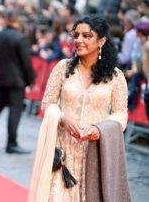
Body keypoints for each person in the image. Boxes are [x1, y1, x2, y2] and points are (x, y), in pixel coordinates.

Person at [29, 15, 130, 201]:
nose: (79, 40)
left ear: (101, 41)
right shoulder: (63, 68)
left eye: (86, 36)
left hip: (96, 151)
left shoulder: (116, 76)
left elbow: (121, 113)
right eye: (76, 35)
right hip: (63, 152)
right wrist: (61, 117)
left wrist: (99, 130)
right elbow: (47, 103)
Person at [0, 10, 35, 154]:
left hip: (3, 77)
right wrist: (31, 79)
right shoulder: (20, 38)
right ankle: (11, 143)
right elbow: (26, 63)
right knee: (15, 110)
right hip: (17, 80)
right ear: (16, 21)